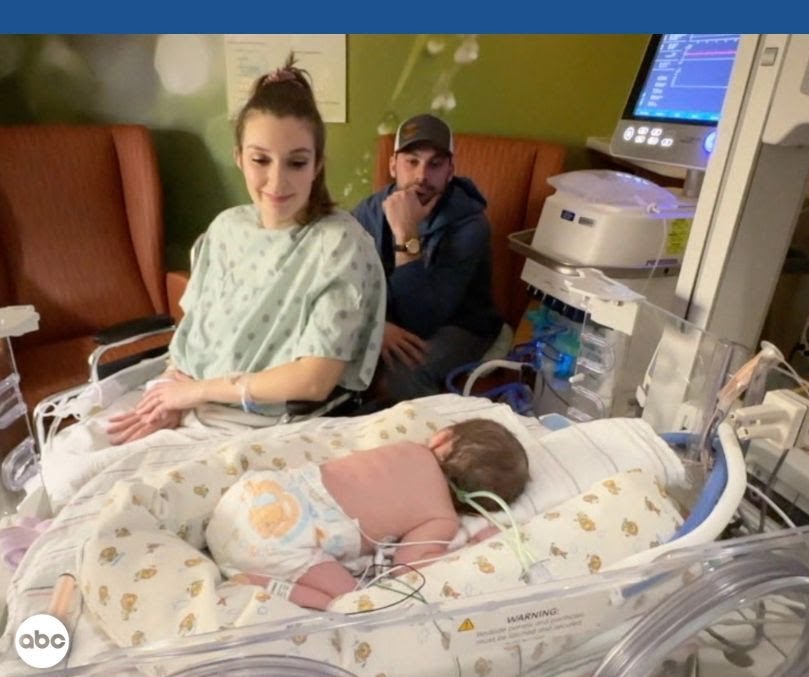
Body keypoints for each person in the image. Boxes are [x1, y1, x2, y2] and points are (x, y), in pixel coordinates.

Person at [107, 58, 386, 445]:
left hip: (266, 427)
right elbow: (195, 333)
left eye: (297, 162)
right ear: (239, 157)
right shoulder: (226, 228)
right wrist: (169, 390)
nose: (277, 181)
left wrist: (197, 393)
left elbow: (314, 380)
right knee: (72, 459)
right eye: (260, 160)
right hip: (186, 401)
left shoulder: (340, 245)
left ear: (317, 165)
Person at [204, 418, 530, 610]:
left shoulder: (408, 449)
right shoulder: (443, 517)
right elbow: (408, 567)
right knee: (356, 602)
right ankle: (258, 584)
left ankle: (245, 566)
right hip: (286, 539)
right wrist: (473, 547)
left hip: (254, 494)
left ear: (442, 438)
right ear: (479, 505)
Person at [351, 114, 503, 406]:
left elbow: (422, 320)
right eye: (412, 161)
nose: (422, 176)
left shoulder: (471, 226)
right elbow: (343, 277)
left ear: (450, 171)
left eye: (435, 164)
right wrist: (375, 325)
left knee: (402, 373)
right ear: (393, 165)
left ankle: (433, 430)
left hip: (458, 323)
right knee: (334, 345)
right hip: (388, 316)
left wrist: (406, 234)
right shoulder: (370, 210)